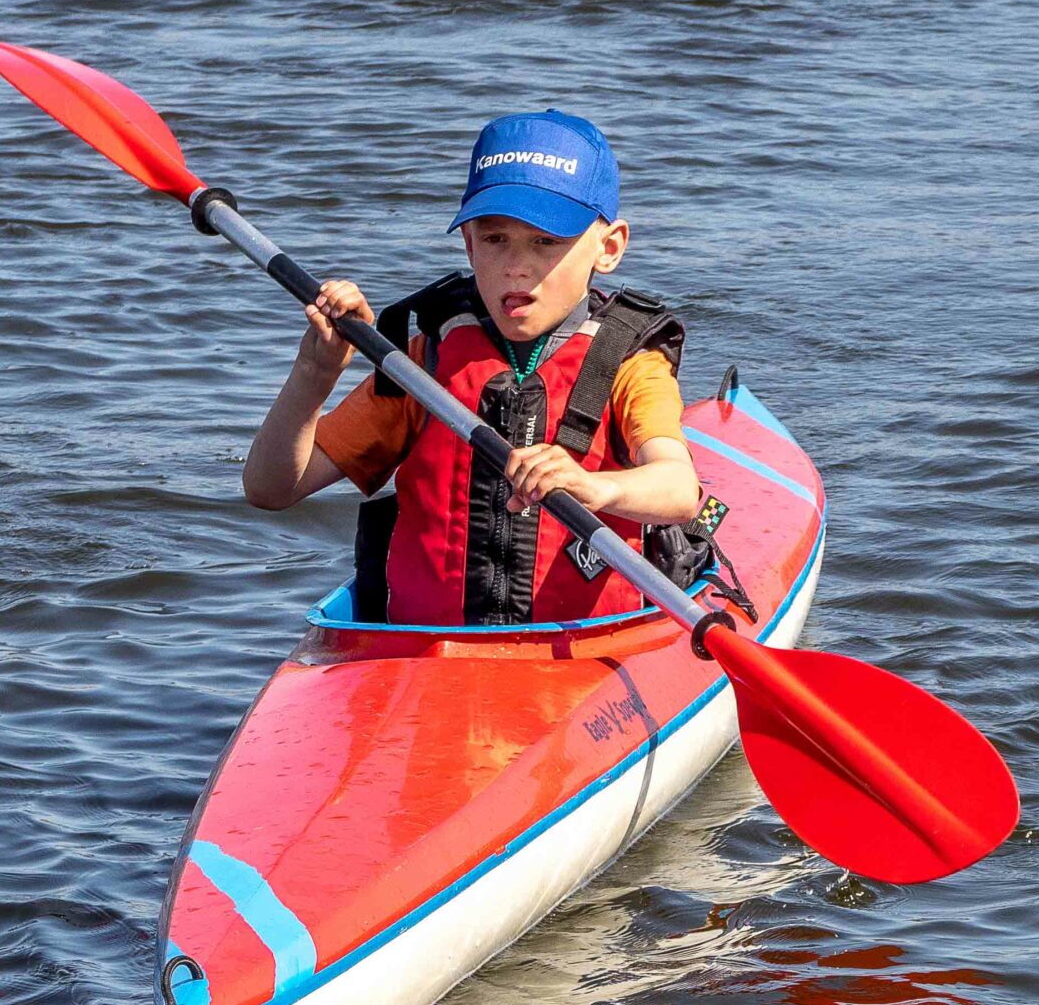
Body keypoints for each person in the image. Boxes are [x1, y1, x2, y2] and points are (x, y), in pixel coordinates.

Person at [242, 111, 707, 626]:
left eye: (545, 241)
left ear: (609, 247)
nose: (515, 265)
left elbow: (680, 490)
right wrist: (315, 373)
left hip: (582, 652)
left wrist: (600, 488)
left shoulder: (629, 367)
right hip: (426, 652)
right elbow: (271, 489)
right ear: (468, 243)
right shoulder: (425, 365)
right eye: (494, 239)